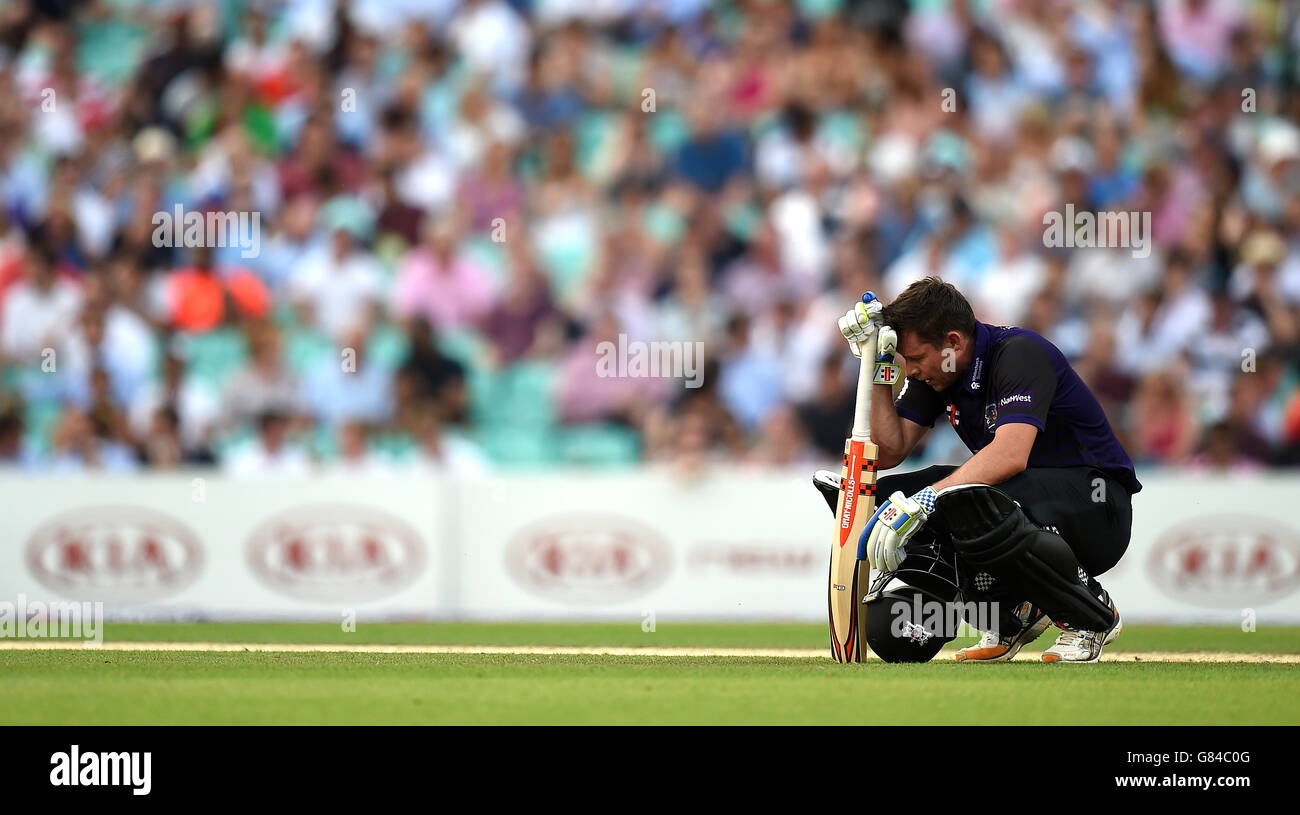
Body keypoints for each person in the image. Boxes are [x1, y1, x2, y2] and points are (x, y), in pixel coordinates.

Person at [820, 277, 1140, 664]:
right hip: (1028, 505)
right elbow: (890, 449)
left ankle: (1091, 613)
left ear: (953, 343)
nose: (914, 371)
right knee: (885, 499)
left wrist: (928, 500)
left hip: (1097, 507)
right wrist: (878, 364)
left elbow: (1009, 455)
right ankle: (1009, 614)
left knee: (962, 498)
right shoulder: (942, 370)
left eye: (917, 359)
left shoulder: (1018, 353)